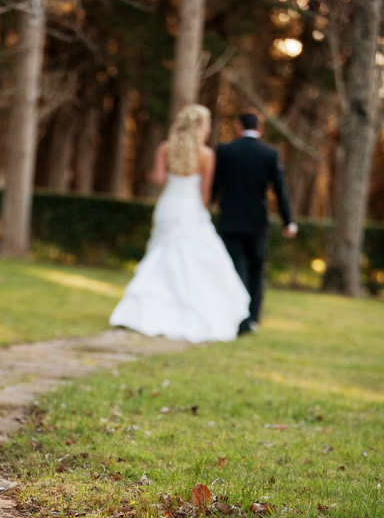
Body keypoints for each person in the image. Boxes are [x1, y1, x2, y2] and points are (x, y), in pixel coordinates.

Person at [109, 104, 250, 343]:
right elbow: (206, 193)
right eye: (206, 124)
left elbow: (159, 179)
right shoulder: (206, 155)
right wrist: (200, 212)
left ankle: (145, 312)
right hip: (190, 209)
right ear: (200, 126)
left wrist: (152, 175)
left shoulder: (165, 148)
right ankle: (191, 310)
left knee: (160, 256)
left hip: (169, 205)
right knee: (192, 259)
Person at [211, 110, 297, 335]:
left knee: (234, 267)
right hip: (258, 221)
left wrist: (204, 207)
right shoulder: (270, 153)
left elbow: (215, 185)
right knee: (256, 269)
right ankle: (252, 319)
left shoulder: (226, 150)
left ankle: (234, 316)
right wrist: (288, 221)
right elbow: (280, 190)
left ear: (239, 127)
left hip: (230, 219)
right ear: (259, 128)